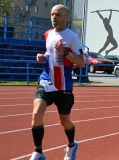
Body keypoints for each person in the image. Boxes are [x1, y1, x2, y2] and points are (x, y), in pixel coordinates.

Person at [30, 4, 85, 160]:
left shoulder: (72, 37)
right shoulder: (47, 34)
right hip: (46, 81)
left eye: (58, 15)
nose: (54, 17)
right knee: (36, 114)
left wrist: (65, 52)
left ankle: (72, 146)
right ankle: (38, 152)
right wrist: (42, 56)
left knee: (65, 121)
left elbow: (81, 62)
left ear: (67, 17)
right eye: (52, 14)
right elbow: (49, 51)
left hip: (63, 86)